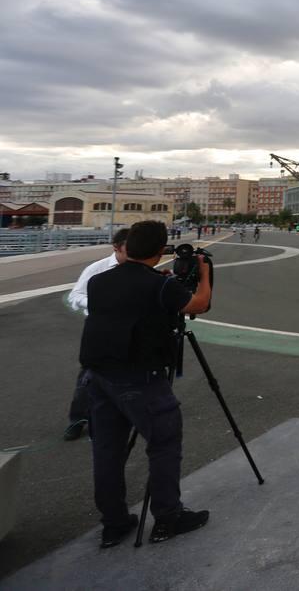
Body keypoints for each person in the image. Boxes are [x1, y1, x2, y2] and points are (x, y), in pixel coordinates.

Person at [79, 220, 212, 548]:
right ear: (159, 250)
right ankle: (168, 517)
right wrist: (205, 274)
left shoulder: (98, 281)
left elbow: (128, 306)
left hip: (97, 376)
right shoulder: (159, 285)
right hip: (140, 378)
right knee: (164, 444)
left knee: (107, 452)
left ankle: (114, 523)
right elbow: (200, 304)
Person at [63, 229, 130, 441]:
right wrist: (99, 304)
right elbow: (76, 295)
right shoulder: (97, 268)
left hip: (129, 328)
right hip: (99, 328)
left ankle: (121, 413)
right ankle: (77, 419)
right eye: (129, 248)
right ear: (116, 247)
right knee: (89, 374)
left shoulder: (138, 268)